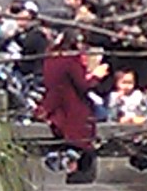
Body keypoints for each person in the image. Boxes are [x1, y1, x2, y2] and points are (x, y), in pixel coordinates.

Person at [40, 32, 106, 180]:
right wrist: (96, 75)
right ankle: (78, 177)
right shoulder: (70, 61)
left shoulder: (50, 60)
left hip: (56, 107)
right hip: (73, 109)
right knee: (79, 146)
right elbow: (83, 85)